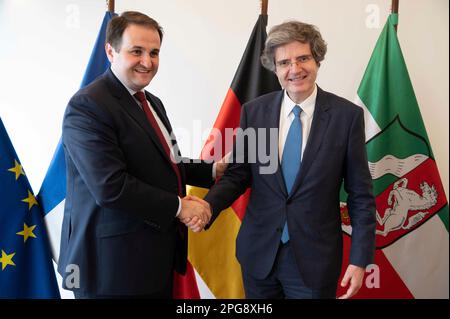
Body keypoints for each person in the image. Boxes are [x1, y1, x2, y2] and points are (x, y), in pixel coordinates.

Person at [197, 21, 376, 299]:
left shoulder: (346, 117)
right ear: (275, 68)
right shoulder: (254, 112)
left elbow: (361, 195)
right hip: (259, 256)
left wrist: (359, 258)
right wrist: (208, 206)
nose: (295, 69)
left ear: (317, 59)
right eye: (284, 63)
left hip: (314, 261)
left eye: (303, 58)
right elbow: (238, 174)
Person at [58, 11, 225, 298]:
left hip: (152, 259)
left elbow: (165, 164)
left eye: (154, 53)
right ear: (111, 51)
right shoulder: (88, 106)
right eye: (137, 51)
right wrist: (180, 207)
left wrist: (211, 171)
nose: (147, 62)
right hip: (110, 267)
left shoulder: (152, 102)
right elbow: (110, 187)